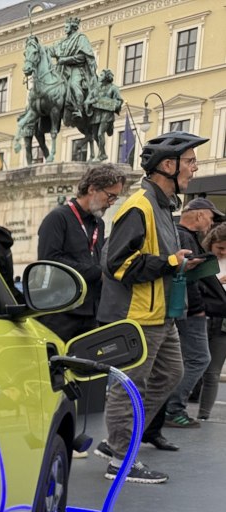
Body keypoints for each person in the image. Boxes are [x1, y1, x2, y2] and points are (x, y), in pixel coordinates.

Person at [94, 130, 208, 485]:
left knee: (171, 375)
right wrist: (169, 261)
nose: (194, 168)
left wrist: (179, 263)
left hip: (162, 315)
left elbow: (158, 259)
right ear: (168, 165)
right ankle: (120, 457)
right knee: (130, 385)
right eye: (189, 162)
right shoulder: (139, 205)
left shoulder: (163, 205)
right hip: (138, 315)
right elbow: (116, 264)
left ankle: (118, 439)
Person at [35, 163, 126, 339]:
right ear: (92, 189)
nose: (112, 203)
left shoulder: (98, 223)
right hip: (61, 312)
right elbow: (50, 261)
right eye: (110, 196)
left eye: (115, 198)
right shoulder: (58, 218)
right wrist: (96, 273)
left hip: (91, 312)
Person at [160, 196, 222, 428]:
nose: (211, 224)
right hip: (188, 310)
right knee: (199, 359)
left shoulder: (178, 234)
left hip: (182, 308)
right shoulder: (185, 238)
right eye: (211, 218)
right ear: (199, 215)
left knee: (184, 361)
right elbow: (187, 279)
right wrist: (198, 308)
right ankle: (173, 408)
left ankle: (167, 408)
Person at [195, 221, 226, 422]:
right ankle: (176, 408)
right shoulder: (203, 261)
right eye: (220, 248)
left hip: (223, 321)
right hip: (203, 316)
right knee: (193, 364)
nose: (223, 252)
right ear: (211, 244)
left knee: (213, 372)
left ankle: (204, 415)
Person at [49, 16, 97, 116]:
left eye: (67, 27)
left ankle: (79, 109)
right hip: (62, 70)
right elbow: (50, 51)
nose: (65, 29)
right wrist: (36, 46)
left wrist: (66, 60)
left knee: (74, 85)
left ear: (73, 27)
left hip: (77, 69)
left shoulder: (81, 38)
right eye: (64, 27)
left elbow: (83, 57)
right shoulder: (62, 42)